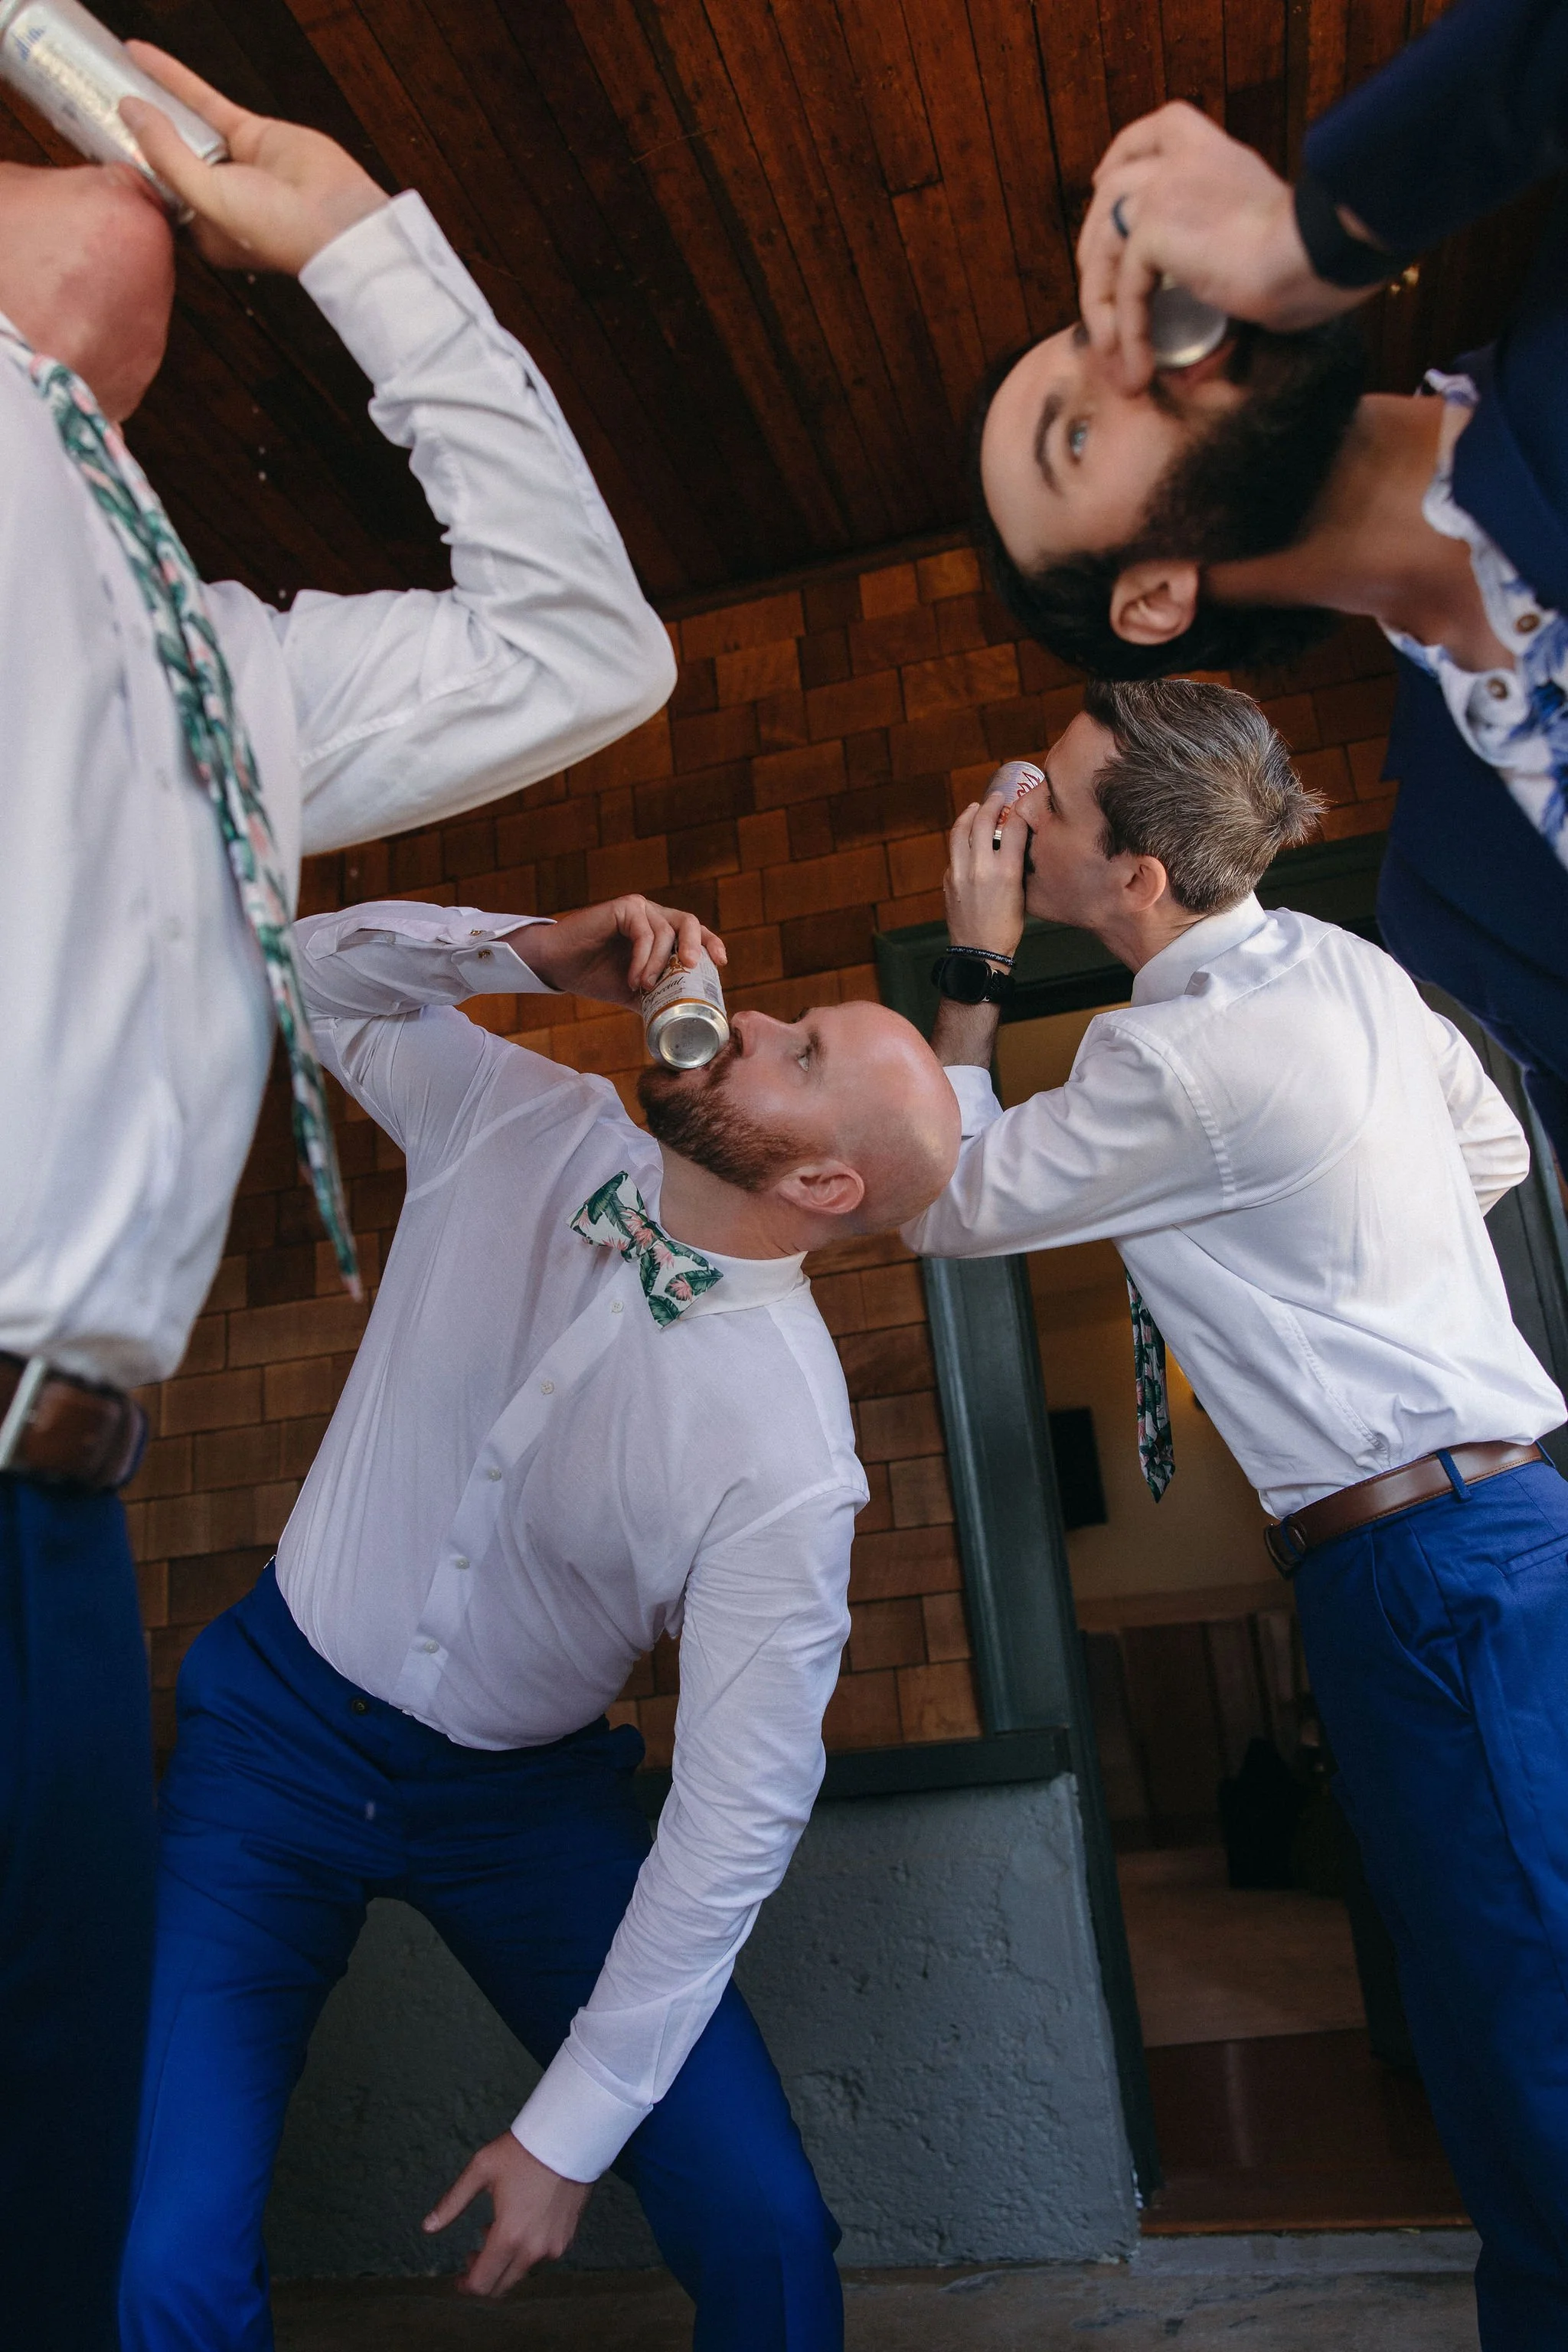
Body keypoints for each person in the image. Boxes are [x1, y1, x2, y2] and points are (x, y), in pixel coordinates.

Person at [0, 44, 675, 2352]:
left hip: (57, 1531)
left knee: (57, 2212)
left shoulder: (239, 674)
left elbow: (590, 650)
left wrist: (375, 249)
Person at [117, 889, 959, 2352]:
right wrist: (528, 953)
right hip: (274, 1747)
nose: (753, 1015)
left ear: (822, 1187)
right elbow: (309, 977)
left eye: (801, 1053)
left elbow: (739, 1808)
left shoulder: (791, 1455)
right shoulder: (525, 1118)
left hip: (525, 1808)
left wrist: (570, 2131)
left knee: (764, 2226)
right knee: (160, 2259)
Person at [905, 678, 1568, 2349]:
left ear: (1136, 877)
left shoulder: (1162, 1049)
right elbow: (1486, 1152)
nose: (1011, 805)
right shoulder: (1343, 967)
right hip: (1499, 1541)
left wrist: (972, 972)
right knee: (1498, 2016)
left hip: (1422, 1574)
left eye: (1045, 796)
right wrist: (1328, 1252)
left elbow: (953, 1205)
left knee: (1529, 2027)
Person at [970, 0, 1568, 1163]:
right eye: (1078, 436)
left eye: (1104, 329)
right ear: (1151, 602)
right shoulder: (1449, 906)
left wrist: (1325, 224)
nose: (1134, 348)